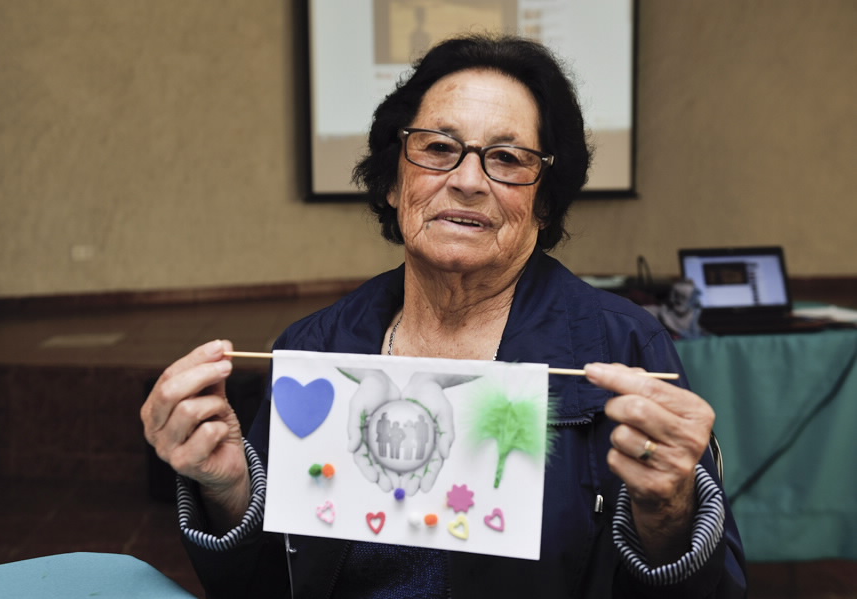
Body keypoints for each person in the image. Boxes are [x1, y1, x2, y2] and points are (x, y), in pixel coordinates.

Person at [141, 34, 747, 598]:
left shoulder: (624, 348)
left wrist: (669, 514)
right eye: (438, 148)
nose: (468, 180)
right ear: (393, 182)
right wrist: (229, 492)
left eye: (507, 158)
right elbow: (266, 585)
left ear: (543, 204)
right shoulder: (316, 347)